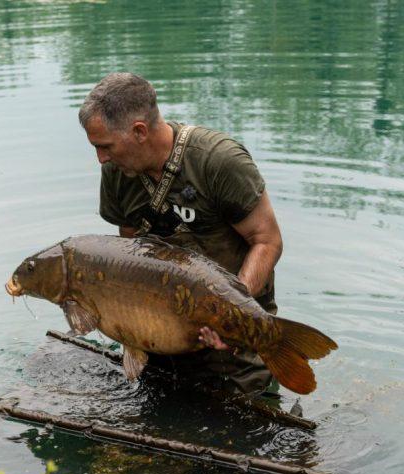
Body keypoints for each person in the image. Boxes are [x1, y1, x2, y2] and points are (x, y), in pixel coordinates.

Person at [79, 73, 283, 396]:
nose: (101, 158)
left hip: (236, 353)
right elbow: (131, 259)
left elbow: (267, 241)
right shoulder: (116, 174)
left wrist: (230, 315)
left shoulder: (219, 162)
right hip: (162, 346)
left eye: (105, 146)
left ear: (139, 132)